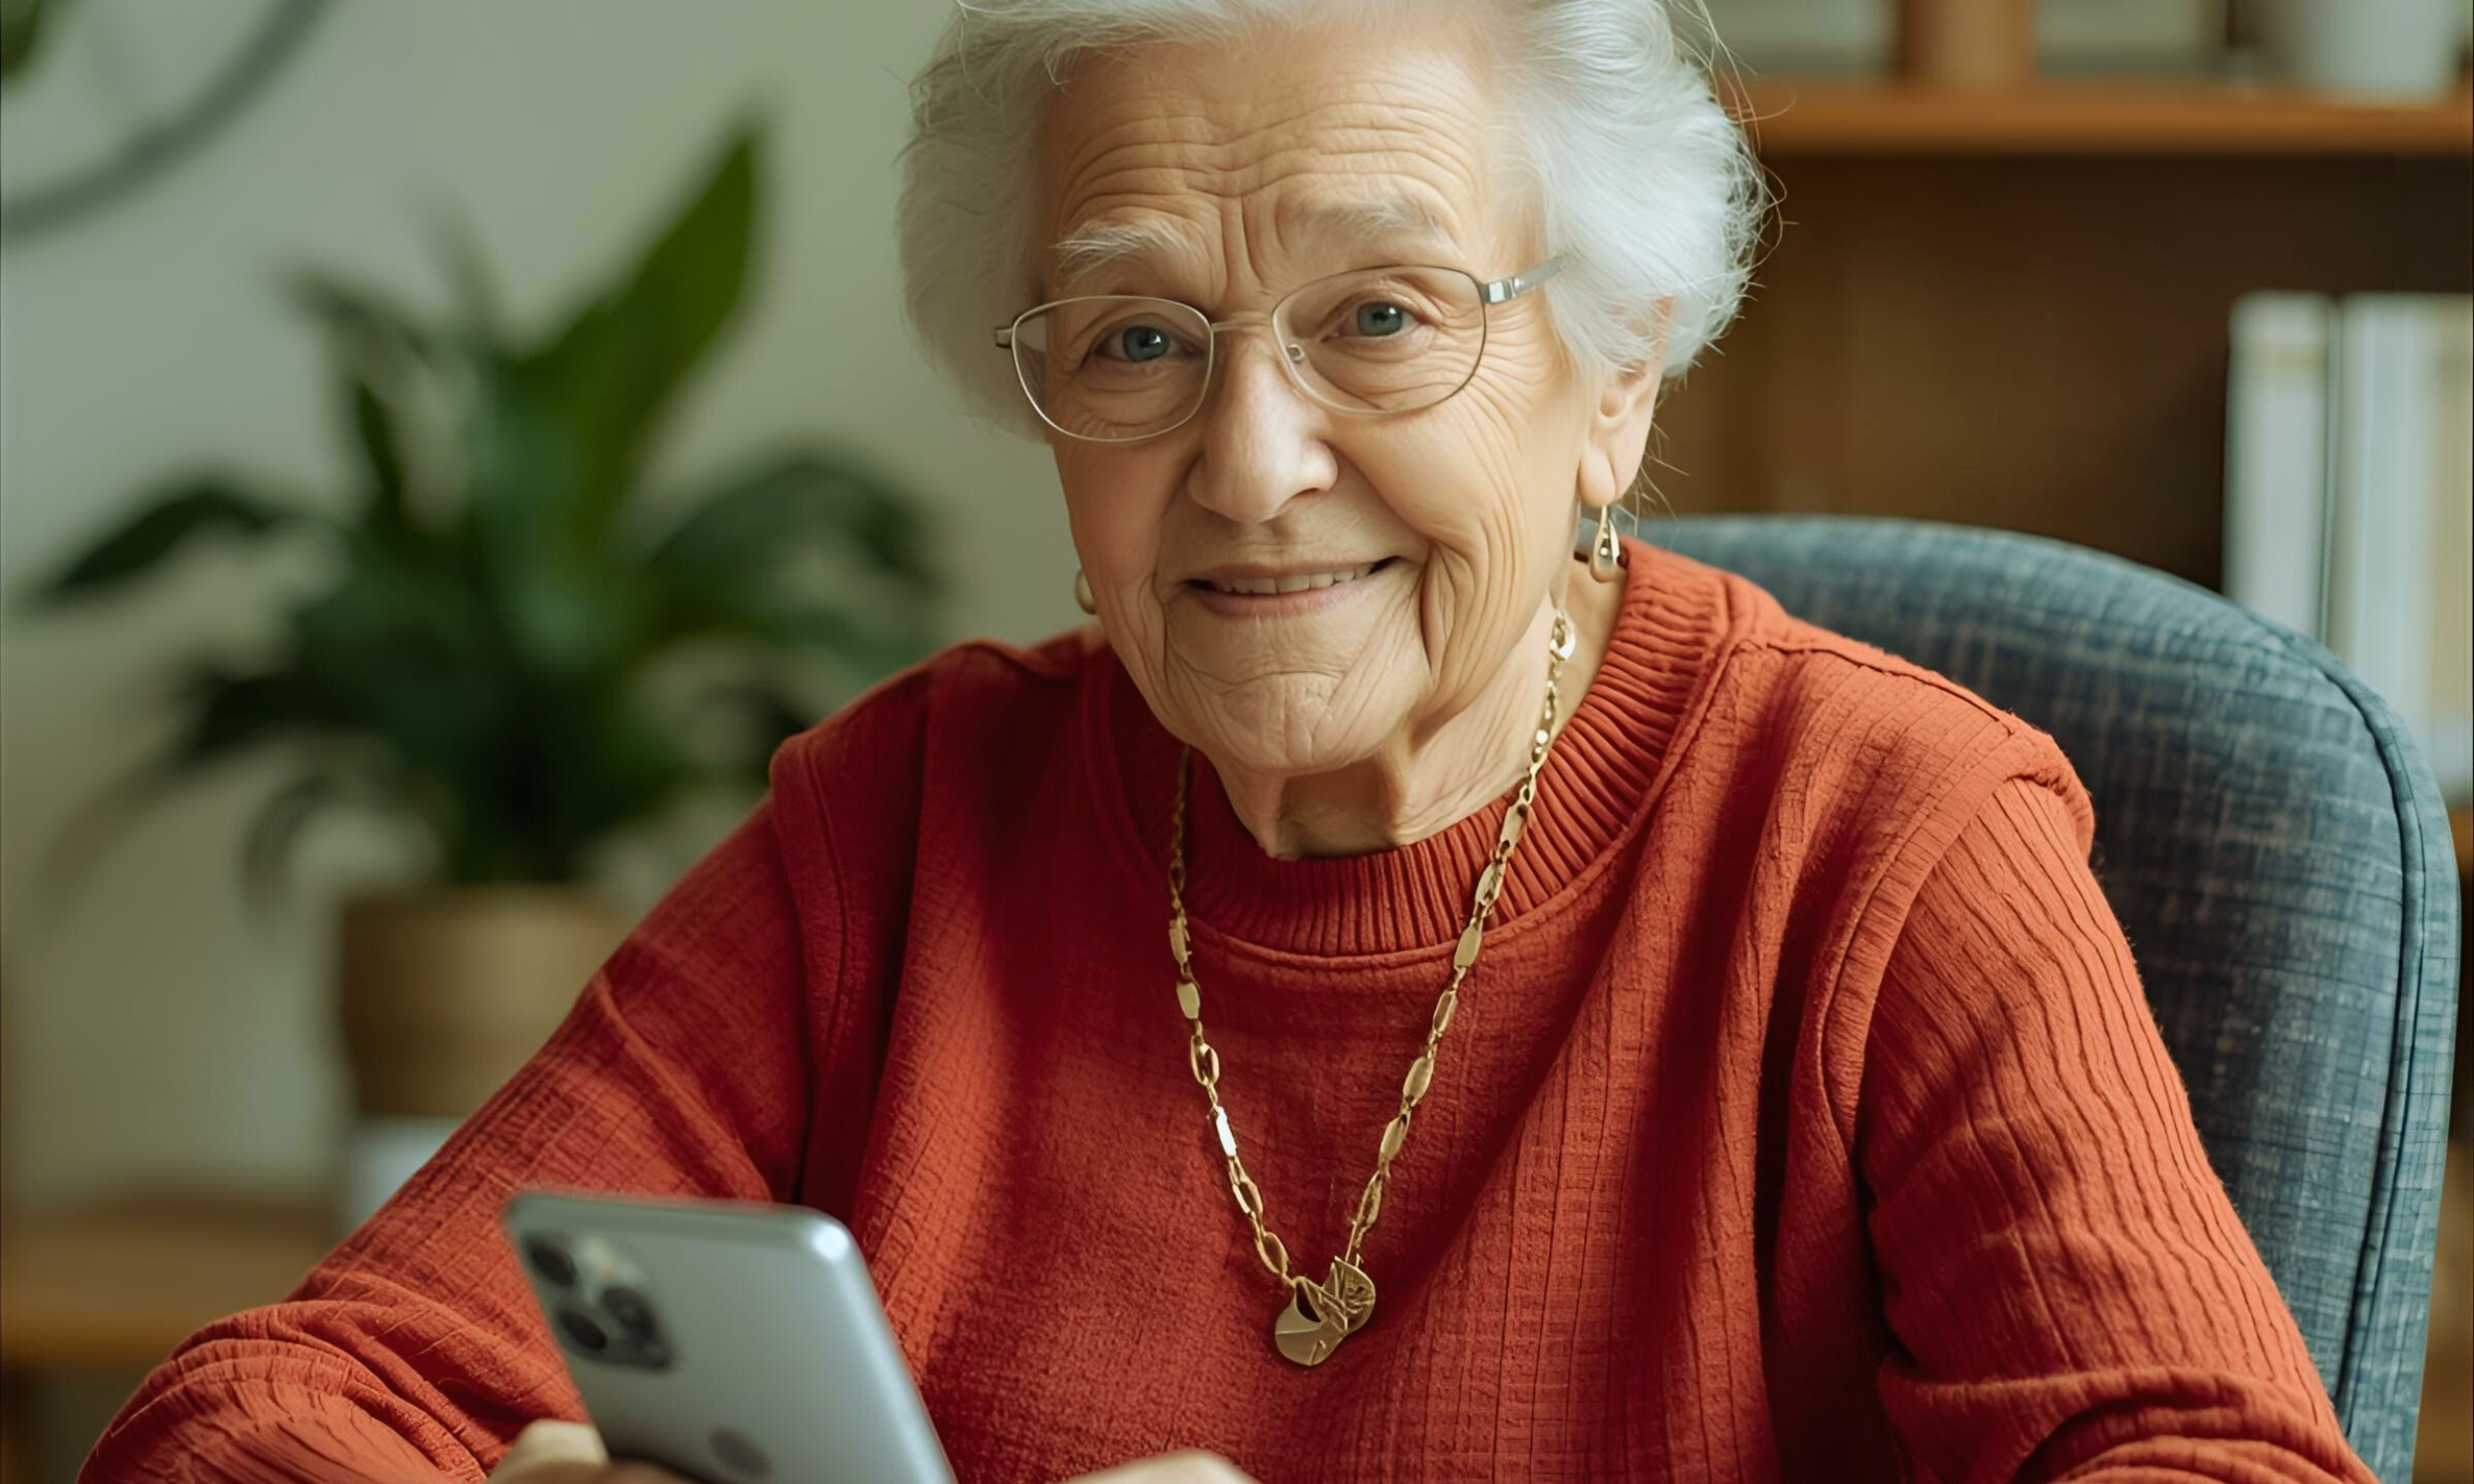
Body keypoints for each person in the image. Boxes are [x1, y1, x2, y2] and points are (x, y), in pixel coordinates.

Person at [87, 1, 2378, 1480]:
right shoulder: (896, 829)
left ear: (1613, 380)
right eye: (1137, 339)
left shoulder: (1883, 838)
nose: (1251, 456)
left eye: (1375, 316)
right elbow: (259, 1412)